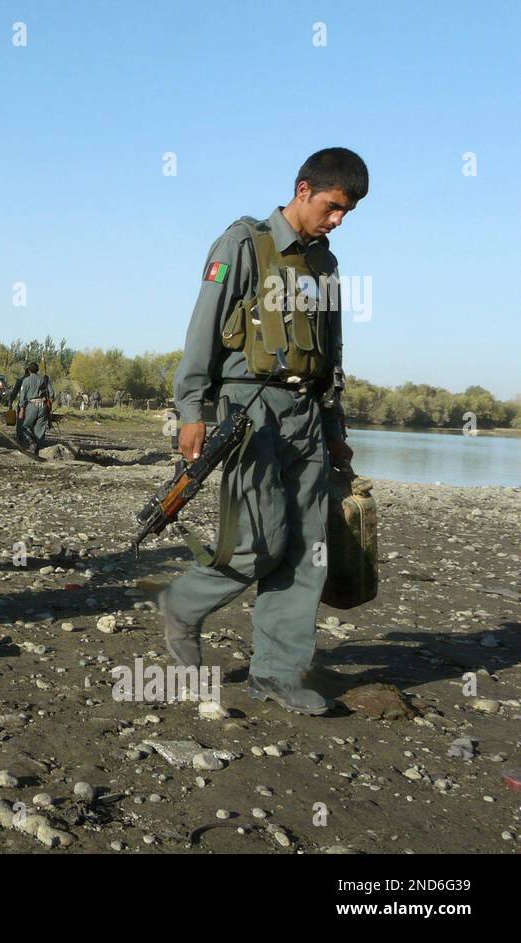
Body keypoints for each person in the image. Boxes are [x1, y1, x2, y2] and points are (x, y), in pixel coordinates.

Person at [160, 147, 365, 716]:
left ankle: (276, 674)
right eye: (333, 207)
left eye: (348, 212)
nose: (338, 220)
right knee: (260, 541)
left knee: (307, 549)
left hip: (307, 415)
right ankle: (182, 604)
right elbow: (202, 328)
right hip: (248, 409)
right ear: (304, 190)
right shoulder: (244, 244)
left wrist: (335, 428)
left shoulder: (326, 266)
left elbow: (331, 353)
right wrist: (191, 410)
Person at [18, 361, 53, 451]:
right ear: (37, 370)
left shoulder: (26, 380)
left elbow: (22, 396)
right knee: (40, 428)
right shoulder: (44, 380)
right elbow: (52, 394)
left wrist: (22, 409)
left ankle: (31, 443)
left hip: (31, 406)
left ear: (29, 370)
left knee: (25, 426)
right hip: (43, 407)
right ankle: (37, 446)